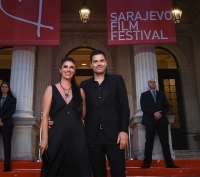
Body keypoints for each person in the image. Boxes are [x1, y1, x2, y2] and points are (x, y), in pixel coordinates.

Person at [80, 49, 130, 177]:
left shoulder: (117, 80)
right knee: (98, 174)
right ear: (91, 64)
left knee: (118, 172)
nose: (99, 64)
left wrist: (124, 130)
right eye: (95, 61)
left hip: (115, 136)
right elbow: (79, 110)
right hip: (92, 136)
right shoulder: (84, 85)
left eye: (101, 61)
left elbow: (124, 107)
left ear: (106, 63)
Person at [39, 57, 92, 177]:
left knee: (79, 166)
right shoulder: (50, 89)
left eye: (72, 67)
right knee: (53, 165)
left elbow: (83, 116)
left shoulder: (80, 92)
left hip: (77, 136)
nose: (68, 69)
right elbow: (45, 115)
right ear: (60, 69)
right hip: (56, 134)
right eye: (65, 67)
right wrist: (44, 139)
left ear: (74, 71)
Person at [140, 78, 179, 169]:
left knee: (165, 143)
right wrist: (154, 113)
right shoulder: (144, 95)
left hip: (162, 121)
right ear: (148, 84)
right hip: (150, 121)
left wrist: (160, 113)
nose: (153, 83)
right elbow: (143, 107)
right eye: (150, 82)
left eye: (154, 82)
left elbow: (167, 106)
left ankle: (169, 163)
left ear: (156, 84)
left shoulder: (161, 94)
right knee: (149, 143)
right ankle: (146, 164)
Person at [0, 82, 17, 172]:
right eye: (2, 87)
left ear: (8, 89)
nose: (4, 88)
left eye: (6, 87)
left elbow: (12, 111)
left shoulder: (12, 99)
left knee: (7, 145)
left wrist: (1, 119)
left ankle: (7, 167)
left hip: (6, 124)